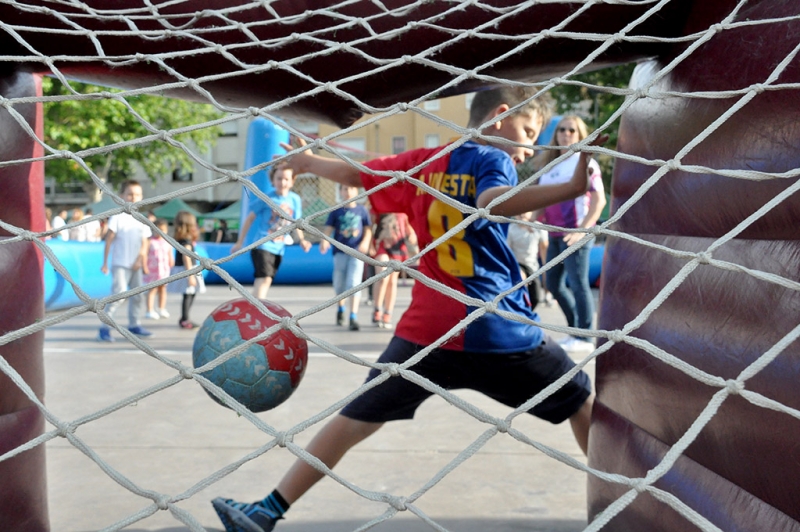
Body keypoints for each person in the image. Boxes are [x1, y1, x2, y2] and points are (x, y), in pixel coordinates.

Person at [210, 87, 607, 532]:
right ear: (500, 117)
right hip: (498, 329)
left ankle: (268, 509)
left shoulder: (426, 162)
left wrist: (308, 164)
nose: (532, 145)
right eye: (529, 131)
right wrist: (570, 187)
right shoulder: (490, 159)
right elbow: (491, 201)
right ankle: (622, 507)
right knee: (583, 403)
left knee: (353, 421)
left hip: (429, 333)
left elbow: (360, 173)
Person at [536, 115, 606, 353]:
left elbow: (599, 199)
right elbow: (543, 202)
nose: (566, 134)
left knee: (578, 283)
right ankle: (575, 329)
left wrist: (583, 230)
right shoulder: (550, 166)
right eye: (562, 130)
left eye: (572, 131)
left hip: (577, 233)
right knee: (553, 284)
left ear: (579, 135)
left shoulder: (585, 162)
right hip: (555, 235)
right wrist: (530, 217)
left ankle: (585, 337)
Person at [230, 164, 312, 299]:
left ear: (292, 181)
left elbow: (297, 223)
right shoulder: (267, 198)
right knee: (265, 278)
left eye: (286, 179)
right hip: (263, 244)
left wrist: (302, 240)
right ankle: (259, 308)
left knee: (265, 279)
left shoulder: (295, 199)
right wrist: (240, 242)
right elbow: (249, 219)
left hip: (279, 248)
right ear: (273, 180)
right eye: (279, 179)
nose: (282, 182)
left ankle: (252, 303)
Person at [97, 180, 152, 342]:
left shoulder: (142, 219)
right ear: (122, 196)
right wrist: (105, 262)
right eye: (130, 194)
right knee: (119, 295)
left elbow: (145, 242)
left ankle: (134, 324)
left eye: (137, 195)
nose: (133, 197)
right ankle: (104, 328)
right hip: (120, 263)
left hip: (136, 264)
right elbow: (109, 240)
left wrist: (142, 261)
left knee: (138, 295)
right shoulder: (118, 217)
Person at [319, 184, 372, 331]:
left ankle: (353, 316)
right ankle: (341, 308)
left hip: (356, 252)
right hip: (340, 252)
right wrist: (324, 240)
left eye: (351, 188)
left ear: (356, 191)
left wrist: (366, 242)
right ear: (340, 191)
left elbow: (367, 229)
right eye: (345, 189)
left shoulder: (362, 210)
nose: (348, 191)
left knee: (354, 283)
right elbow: (328, 228)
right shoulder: (336, 211)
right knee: (339, 284)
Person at [369, 211, 416, 329]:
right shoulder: (381, 205)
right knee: (382, 276)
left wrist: (412, 235)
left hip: (398, 246)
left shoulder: (403, 206)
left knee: (392, 281)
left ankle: (388, 312)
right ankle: (377, 309)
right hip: (381, 244)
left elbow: (408, 224)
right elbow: (371, 225)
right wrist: (369, 244)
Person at [168, 210, 205, 329]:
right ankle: (185, 319)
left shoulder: (182, 239)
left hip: (186, 268)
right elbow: (186, 258)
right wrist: (191, 275)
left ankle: (185, 317)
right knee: (188, 295)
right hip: (188, 269)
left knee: (190, 294)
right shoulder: (186, 242)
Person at [507, 211, 548, 309]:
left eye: (525, 211)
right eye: (519, 211)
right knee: (521, 279)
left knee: (535, 298)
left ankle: (528, 313)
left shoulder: (538, 228)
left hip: (532, 266)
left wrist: (545, 270)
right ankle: (519, 310)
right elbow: (508, 251)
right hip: (518, 264)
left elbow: (544, 249)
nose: (521, 214)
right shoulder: (511, 229)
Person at [144, 218, 174, 320]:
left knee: (163, 288)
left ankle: (162, 308)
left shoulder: (167, 241)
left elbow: (169, 253)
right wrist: (144, 266)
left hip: (164, 269)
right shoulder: (150, 241)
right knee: (153, 289)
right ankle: (150, 310)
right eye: (158, 229)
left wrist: (171, 260)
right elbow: (144, 254)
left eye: (163, 230)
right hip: (153, 269)